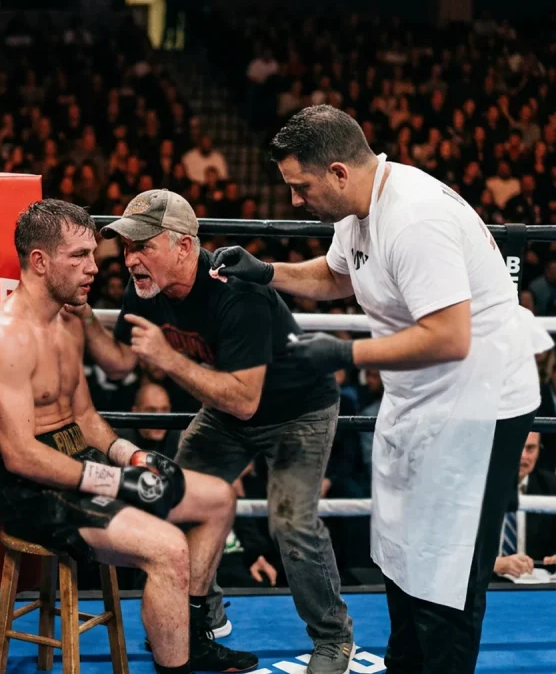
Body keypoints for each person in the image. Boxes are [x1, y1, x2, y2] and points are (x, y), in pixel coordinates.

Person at [211, 104, 546, 674]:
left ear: (339, 172)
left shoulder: (414, 217)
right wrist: (268, 271)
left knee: (447, 569)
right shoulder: (363, 208)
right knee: (402, 553)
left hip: (478, 402)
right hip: (426, 396)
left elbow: (449, 334)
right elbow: (341, 274)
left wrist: (344, 352)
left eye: (300, 187)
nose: (294, 201)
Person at [0, 199, 258, 673]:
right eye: (78, 257)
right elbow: (21, 455)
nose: (93, 269)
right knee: (168, 548)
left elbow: (83, 415)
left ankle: (188, 633)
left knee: (219, 499)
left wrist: (132, 456)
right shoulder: (3, 335)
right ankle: (175, 666)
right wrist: (114, 481)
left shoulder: (69, 321)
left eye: (92, 256)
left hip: (80, 461)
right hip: (33, 489)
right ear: (39, 262)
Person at [75, 188, 352, 673]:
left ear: (184, 246)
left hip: (297, 413)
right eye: (128, 246)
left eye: (144, 246)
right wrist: (80, 318)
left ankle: (333, 639)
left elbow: (245, 401)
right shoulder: (144, 288)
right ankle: (203, 620)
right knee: (173, 500)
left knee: (291, 524)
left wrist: (167, 358)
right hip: (227, 412)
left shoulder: (237, 292)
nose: (131, 259)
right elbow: (120, 364)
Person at [492, 431, 556, 578]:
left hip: (534, 585)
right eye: (517, 446)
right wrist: (495, 564)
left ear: (539, 450)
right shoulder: (476, 487)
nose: (523, 455)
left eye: (530, 448)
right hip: (485, 584)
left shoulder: (552, 487)